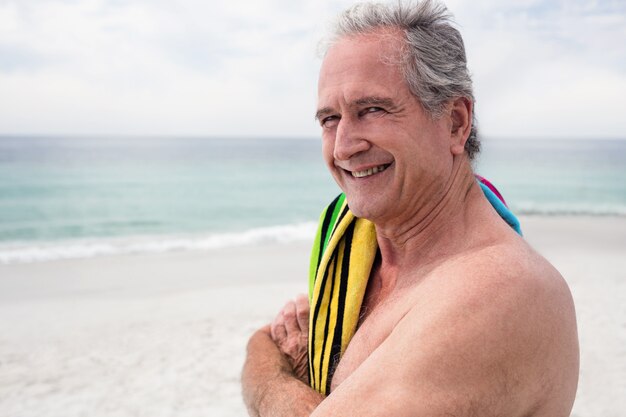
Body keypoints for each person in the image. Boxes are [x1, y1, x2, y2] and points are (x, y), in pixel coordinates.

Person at [241, 1, 579, 416]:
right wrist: (278, 364)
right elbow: (262, 342)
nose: (344, 146)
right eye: (330, 119)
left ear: (455, 122)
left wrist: (276, 379)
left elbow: (263, 354)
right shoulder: (365, 249)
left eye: (373, 110)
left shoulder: (506, 291)